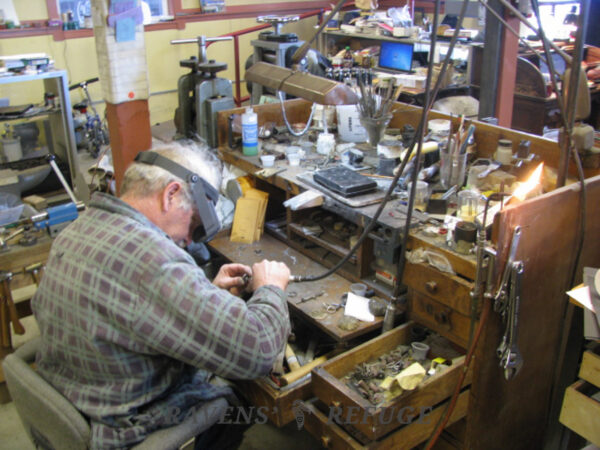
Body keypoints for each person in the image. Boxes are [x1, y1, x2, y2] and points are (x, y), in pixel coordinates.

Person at [31, 143, 292, 449]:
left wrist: (206, 293)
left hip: (80, 398)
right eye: (192, 224)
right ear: (170, 195)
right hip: (123, 427)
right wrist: (271, 288)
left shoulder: (79, 229)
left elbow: (136, 303)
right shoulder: (153, 260)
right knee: (240, 399)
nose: (186, 241)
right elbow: (258, 351)